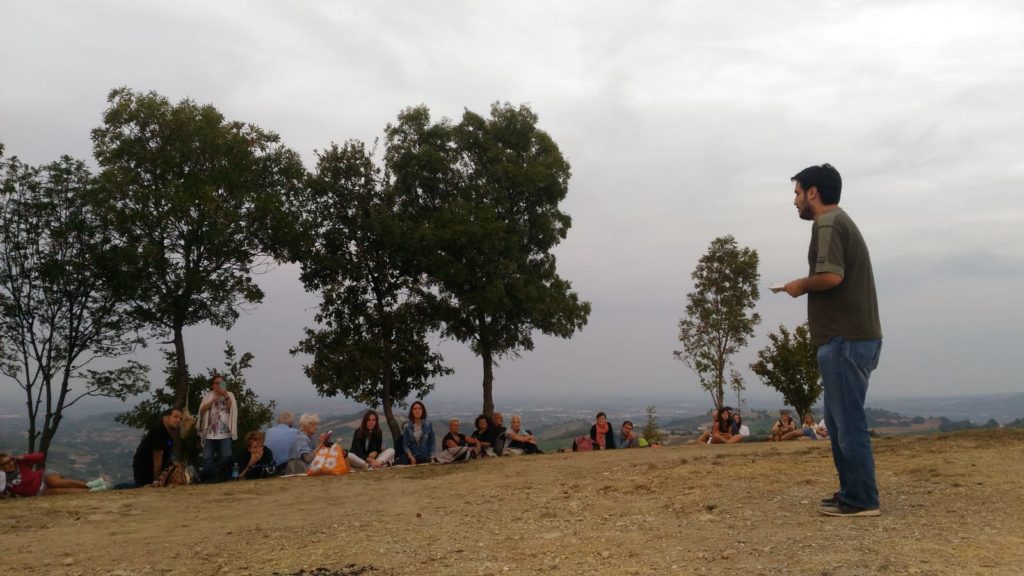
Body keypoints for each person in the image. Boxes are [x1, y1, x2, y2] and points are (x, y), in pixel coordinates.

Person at [783, 163, 883, 517]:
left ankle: (862, 499)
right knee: (839, 422)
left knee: (847, 422)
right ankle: (851, 492)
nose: (795, 201)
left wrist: (799, 285)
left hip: (845, 339)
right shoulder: (840, 221)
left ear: (813, 192)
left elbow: (830, 276)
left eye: (798, 192)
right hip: (852, 337)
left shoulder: (827, 223)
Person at [1, 453, 103, 496]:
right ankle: (92, 491)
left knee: (56, 483)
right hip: (38, 492)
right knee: (59, 492)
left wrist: (24, 457)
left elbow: (40, 456)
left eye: (11, 460)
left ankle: (90, 484)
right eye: (6, 463)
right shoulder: (3, 480)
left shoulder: (20, 464)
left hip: (43, 476)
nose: (10, 463)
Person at [198, 374, 237, 483]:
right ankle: (208, 479)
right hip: (209, 432)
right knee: (207, 458)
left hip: (225, 432)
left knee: (226, 457)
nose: (219, 385)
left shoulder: (230, 395)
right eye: (216, 383)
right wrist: (212, 401)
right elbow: (201, 411)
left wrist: (225, 396)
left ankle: (225, 478)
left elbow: (231, 410)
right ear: (212, 385)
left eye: (222, 383)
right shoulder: (207, 396)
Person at [132, 408, 182, 487]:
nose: (179, 420)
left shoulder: (168, 435)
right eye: (175, 417)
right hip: (146, 469)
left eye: (180, 418)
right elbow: (157, 458)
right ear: (165, 418)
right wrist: (157, 480)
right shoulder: (159, 432)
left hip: (153, 469)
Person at [401, 401, 435, 465]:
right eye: (415, 409)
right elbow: (405, 445)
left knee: (421, 459)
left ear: (423, 410)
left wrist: (432, 457)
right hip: (413, 455)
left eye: (420, 408)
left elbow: (432, 442)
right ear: (412, 411)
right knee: (402, 460)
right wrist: (410, 456)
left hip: (425, 455)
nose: (417, 411)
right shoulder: (407, 427)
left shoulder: (428, 425)